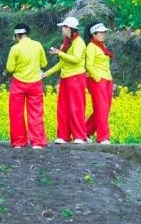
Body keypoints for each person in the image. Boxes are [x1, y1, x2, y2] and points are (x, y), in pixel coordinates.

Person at [43, 15, 88, 144]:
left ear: (70, 28)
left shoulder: (79, 42)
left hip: (76, 77)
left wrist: (59, 53)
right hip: (65, 78)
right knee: (63, 107)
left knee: (76, 107)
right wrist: (46, 73)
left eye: (64, 27)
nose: (62, 29)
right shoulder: (66, 43)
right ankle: (63, 135)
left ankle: (79, 136)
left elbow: (76, 59)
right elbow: (62, 63)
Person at [6, 24, 48, 148]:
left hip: (19, 83)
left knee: (16, 113)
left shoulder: (15, 48)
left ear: (17, 36)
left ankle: (19, 142)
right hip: (35, 83)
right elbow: (44, 63)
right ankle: (37, 142)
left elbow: (10, 68)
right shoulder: (38, 45)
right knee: (36, 113)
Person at [84, 22, 114, 145]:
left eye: (104, 32)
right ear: (94, 34)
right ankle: (103, 137)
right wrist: (98, 78)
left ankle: (85, 132)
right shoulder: (91, 46)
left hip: (107, 79)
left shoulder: (102, 46)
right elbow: (89, 65)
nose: (104, 34)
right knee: (101, 108)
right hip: (97, 80)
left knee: (104, 109)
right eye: (101, 33)